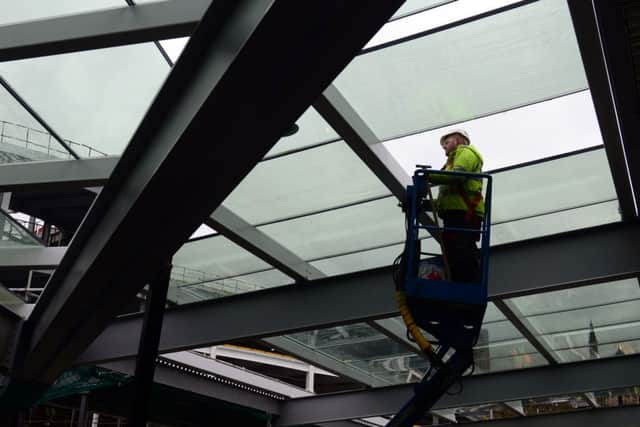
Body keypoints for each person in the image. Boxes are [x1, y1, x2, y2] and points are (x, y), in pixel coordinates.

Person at [429, 129, 484, 283]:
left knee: (462, 251)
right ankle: (460, 281)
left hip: (464, 213)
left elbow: (457, 177)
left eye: (447, 142)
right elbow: (450, 194)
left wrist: (429, 176)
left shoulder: (466, 153)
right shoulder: (451, 162)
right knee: (454, 252)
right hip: (456, 213)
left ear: (458, 140)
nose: (444, 147)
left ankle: (467, 283)